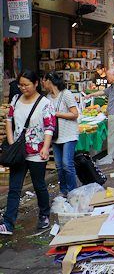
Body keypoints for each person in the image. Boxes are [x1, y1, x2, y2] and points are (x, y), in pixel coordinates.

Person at [0, 71, 55, 235]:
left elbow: (49, 127)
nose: (23, 88)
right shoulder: (15, 100)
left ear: (36, 83)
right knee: (14, 188)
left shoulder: (45, 104)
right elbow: (9, 121)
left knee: (39, 186)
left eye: (26, 85)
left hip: (37, 152)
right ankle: (8, 223)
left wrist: (45, 147)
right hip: (19, 152)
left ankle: (44, 215)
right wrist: (11, 141)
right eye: (20, 85)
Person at [42, 72, 80, 197]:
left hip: (69, 134)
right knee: (59, 166)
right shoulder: (48, 97)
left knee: (67, 164)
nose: (42, 83)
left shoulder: (66, 94)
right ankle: (64, 191)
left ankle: (73, 191)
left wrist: (56, 114)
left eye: (43, 80)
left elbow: (75, 114)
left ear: (49, 81)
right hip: (56, 135)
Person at [87, 69, 114, 160]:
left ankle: (111, 155)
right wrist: (91, 95)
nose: (107, 79)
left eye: (108, 77)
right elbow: (103, 92)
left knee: (112, 134)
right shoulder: (112, 86)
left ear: (113, 75)